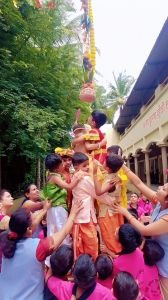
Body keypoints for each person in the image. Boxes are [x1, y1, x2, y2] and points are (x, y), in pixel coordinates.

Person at [0, 199, 82, 300]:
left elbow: (30, 226)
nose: (36, 216)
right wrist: (73, 213)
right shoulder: (39, 247)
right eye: (33, 216)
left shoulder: (6, 243)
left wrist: (44, 209)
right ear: (29, 229)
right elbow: (64, 232)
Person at [113, 162, 168, 299]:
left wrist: (126, 213)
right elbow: (139, 183)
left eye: (163, 189)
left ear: (167, 200)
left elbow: (144, 230)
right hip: (155, 256)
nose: (159, 188)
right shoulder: (158, 202)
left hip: (165, 266)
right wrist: (123, 166)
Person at [71, 152, 116, 260]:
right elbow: (97, 193)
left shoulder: (75, 176)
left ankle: (83, 266)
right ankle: (91, 266)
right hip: (84, 217)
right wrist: (112, 201)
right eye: (84, 165)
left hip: (81, 216)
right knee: (92, 244)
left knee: (80, 245)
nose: (87, 168)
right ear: (76, 166)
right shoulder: (85, 179)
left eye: (87, 165)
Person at [41, 153, 83, 250]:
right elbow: (69, 187)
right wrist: (77, 178)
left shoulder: (51, 175)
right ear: (56, 168)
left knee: (53, 230)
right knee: (62, 228)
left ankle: (52, 252)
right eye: (62, 163)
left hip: (52, 208)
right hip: (58, 208)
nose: (64, 165)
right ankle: (64, 251)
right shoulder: (55, 177)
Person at [93, 154, 124, 255]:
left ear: (108, 167)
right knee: (116, 237)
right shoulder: (116, 176)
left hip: (108, 214)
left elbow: (98, 192)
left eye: (104, 161)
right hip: (115, 211)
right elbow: (103, 168)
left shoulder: (110, 180)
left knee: (109, 238)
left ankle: (113, 258)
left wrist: (94, 174)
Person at [47, 254, 114, 299]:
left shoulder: (65, 289)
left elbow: (48, 279)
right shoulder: (106, 294)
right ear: (96, 275)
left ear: (72, 276)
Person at [113, 224, 146, 297]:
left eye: (117, 232)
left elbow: (118, 283)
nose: (116, 229)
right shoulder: (139, 252)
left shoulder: (117, 264)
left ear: (120, 243)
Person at [55, 147, 74, 213]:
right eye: (64, 160)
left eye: (69, 160)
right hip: (61, 203)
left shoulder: (72, 173)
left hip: (71, 202)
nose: (68, 162)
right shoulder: (58, 174)